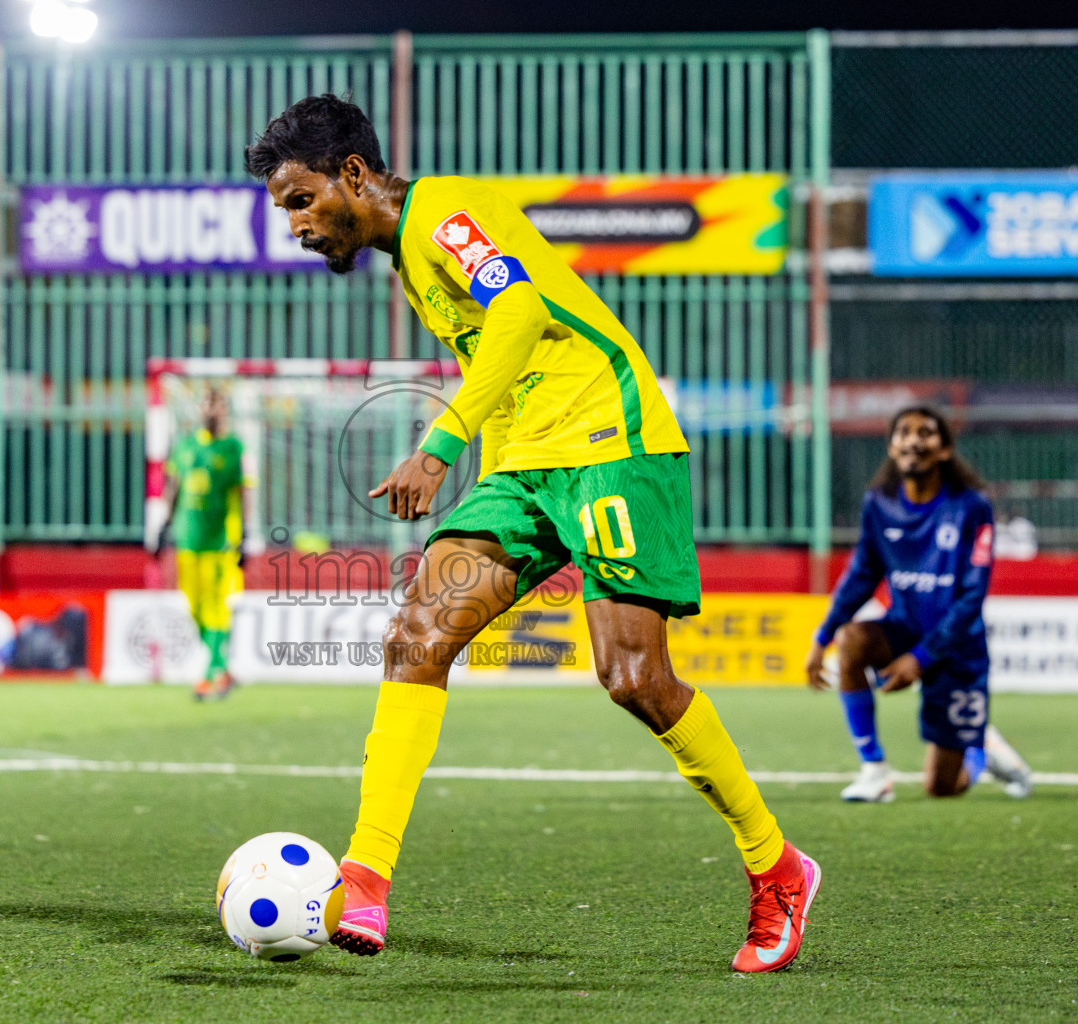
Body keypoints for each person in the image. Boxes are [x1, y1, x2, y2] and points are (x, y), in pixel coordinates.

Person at [246, 94, 821, 973]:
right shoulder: (408, 255)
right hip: (525, 462)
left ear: (353, 175)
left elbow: (515, 315)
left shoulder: (446, 210)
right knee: (418, 632)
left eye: (299, 199)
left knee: (635, 679)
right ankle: (364, 875)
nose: (294, 224)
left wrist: (438, 448)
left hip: (611, 441)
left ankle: (776, 866)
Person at [805, 406, 1032, 803]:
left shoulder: (971, 506)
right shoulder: (878, 503)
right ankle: (874, 772)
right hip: (904, 629)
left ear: (944, 450)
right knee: (853, 640)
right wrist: (821, 638)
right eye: (903, 432)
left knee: (942, 788)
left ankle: (980, 750)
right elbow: (861, 575)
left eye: (925, 432)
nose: (913, 440)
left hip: (958, 647)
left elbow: (971, 597)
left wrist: (920, 660)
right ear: (892, 447)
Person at [161, 387, 246, 700]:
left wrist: (244, 535)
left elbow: (241, 492)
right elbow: (174, 488)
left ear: (224, 410)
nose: (210, 409)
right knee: (195, 610)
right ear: (198, 408)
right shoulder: (184, 447)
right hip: (188, 541)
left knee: (216, 610)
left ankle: (209, 675)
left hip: (220, 543)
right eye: (206, 402)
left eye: (217, 403)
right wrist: (164, 525)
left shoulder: (233, 447)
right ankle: (222, 669)